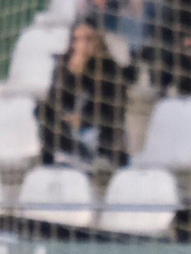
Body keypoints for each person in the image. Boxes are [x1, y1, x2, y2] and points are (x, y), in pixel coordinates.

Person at [36, 19, 133, 170]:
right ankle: (48, 166)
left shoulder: (111, 69)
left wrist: (83, 119)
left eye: (88, 39)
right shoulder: (65, 66)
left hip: (99, 135)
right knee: (42, 110)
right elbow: (55, 104)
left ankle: (100, 163)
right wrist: (71, 74)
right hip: (72, 136)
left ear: (98, 41)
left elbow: (113, 111)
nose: (83, 45)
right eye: (77, 40)